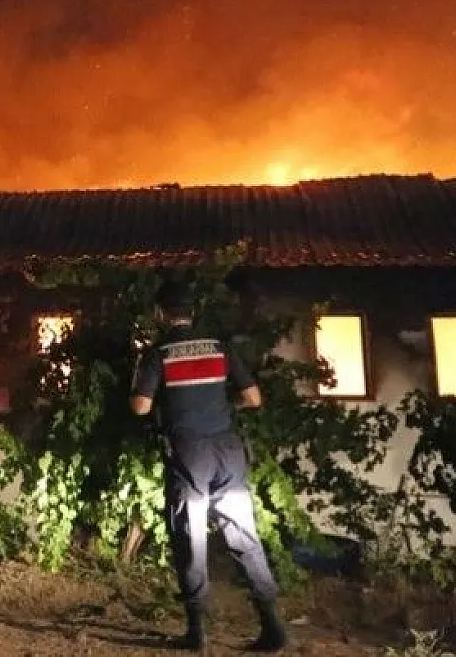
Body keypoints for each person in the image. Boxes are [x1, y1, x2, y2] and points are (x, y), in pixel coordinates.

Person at [130, 277, 288, 653]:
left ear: (159, 313)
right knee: (244, 536)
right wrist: (222, 406)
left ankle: (197, 631)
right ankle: (273, 626)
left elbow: (140, 406)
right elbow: (253, 397)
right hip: (228, 451)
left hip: (189, 454)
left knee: (190, 536)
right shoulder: (220, 348)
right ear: (194, 312)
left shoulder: (159, 353)